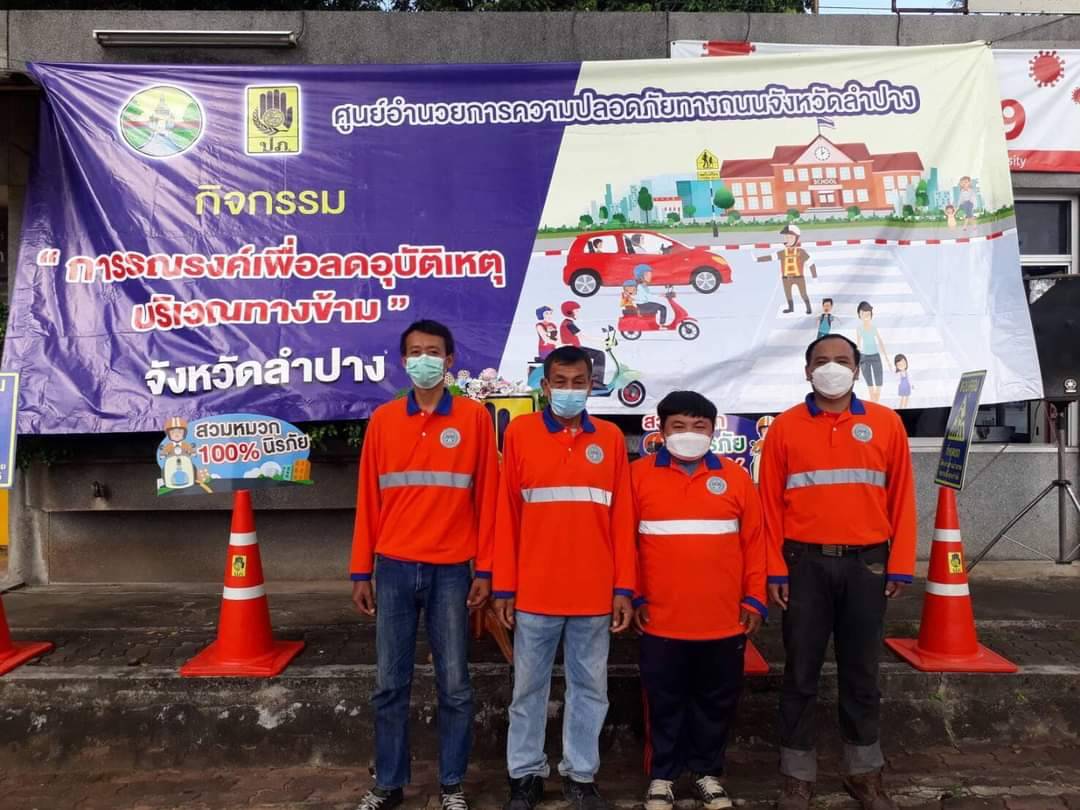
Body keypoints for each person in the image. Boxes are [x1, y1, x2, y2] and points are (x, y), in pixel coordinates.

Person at [758, 334, 917, 810]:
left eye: (842, 360)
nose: (832, 368)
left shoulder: (886, 424)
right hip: (803, 565)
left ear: (857, 368)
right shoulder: (785, 427)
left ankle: (864, 773)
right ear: (807, 370)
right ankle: (796, 777)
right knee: (800, 672)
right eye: (822, 361)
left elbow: (902, 498)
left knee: (862, 672)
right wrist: (773, 570)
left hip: (867, 564)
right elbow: (768, 506)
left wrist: (900, 564)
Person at [350, 320, 500, 810]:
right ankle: (389, 783)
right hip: (393, 568)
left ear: (450, 361)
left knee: (455, 686)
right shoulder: (384, 420)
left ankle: (452, 785)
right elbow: (368, 500)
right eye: (415, 352)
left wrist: (486, 569)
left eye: (433, 352)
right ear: (403, 361)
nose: (424, 360)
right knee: (389, 686)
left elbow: (489, 499)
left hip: (452, 571)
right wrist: (361, 570)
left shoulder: (475, 419)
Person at [493, 345, 636, 810]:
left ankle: (580, 776)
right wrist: (504, 586)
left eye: (579, 382)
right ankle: (525, 775)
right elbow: (506, 515)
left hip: (594, 593)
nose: (569, 390)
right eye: (560, 382)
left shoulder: (611, 438)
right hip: (534, 592)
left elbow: (622, 519)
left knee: (591, 690)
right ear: (544, 385)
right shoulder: (520, 434)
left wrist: (623, 588)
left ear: (592, 386)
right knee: (526, 690)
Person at [632, 391, 767, 810]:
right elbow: (625, 544)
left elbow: (755, 543)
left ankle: (707, 772)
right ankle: (662, 777)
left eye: (699, 426)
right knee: (663, 701)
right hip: (660, 618)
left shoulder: (735, 478)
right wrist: (633, 595)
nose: (689, 433)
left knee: (716, 700)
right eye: (678, 426)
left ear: (712, 431)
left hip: (723, 619)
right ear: (661, 429)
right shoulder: (637, 476)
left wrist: (755, 599)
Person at [756, 225, 816, 315]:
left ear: (796, 238)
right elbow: (771, 257)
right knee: (788, 294)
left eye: (791, 237)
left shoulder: (801, 252)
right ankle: (790, 308)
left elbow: (811, 263)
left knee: (803, 293)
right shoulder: (783, 253)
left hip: (799, 278)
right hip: (786, 278)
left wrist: (814, 277)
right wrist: (757, 259)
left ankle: (808, 307)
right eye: (787, 237)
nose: (788, 239)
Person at [559, 301, 606, 389]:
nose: (578, 313)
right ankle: (596, 383)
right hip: (573, 350)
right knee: (599, 355)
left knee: (594, 355)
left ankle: (593, 381)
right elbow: (583, 336)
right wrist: (602, 340)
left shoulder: (567, 323)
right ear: (569, 312)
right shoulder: (568, 324)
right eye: (576, 311)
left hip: (574, 348)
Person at [855, 301, 887, 403]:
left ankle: (876, 402)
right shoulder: (859, 329)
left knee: (878, 382)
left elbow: (880, 341)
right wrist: (857, 361)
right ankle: (873, 402)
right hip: (864, 357)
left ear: (871, 315)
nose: (866, 317)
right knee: (869, 383)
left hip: (875, 356)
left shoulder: (873, 327)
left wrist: (887, 358)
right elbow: (858, 344)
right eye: (863, 314)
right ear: (859, 315)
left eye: (868, 314)